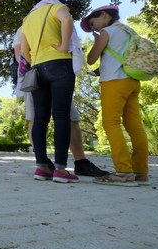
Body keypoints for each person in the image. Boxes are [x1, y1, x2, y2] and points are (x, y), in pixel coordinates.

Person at [13, 28, 109, 177]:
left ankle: (80, 161)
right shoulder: (27, 25)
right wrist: (41, 64)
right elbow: (20, 55)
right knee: (35, 118)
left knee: (70, 118)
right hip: (35, 75)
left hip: (59, 75)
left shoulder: (57, 21)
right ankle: (44, 163)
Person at [83, 5, 149, 186]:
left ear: (104, 15)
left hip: (114, 82)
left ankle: (123, 172)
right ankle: (140, 172)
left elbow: (90, 59)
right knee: (135, 126)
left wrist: (97, 39)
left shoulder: (107, 31)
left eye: (92, 22)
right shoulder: (128, 31)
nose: (93, 28)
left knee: (111, 123)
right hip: (132, 81)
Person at [19, 0, 79, 183]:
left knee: (40, 119)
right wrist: (63, 46)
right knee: (61, 115)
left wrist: (34, 60)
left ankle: (41, 167)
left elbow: (24, 52)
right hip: (59, 63)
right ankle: (61, 169)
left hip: (37, 69)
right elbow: (67, 19)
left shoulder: (28, 19)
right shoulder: (55, 6)